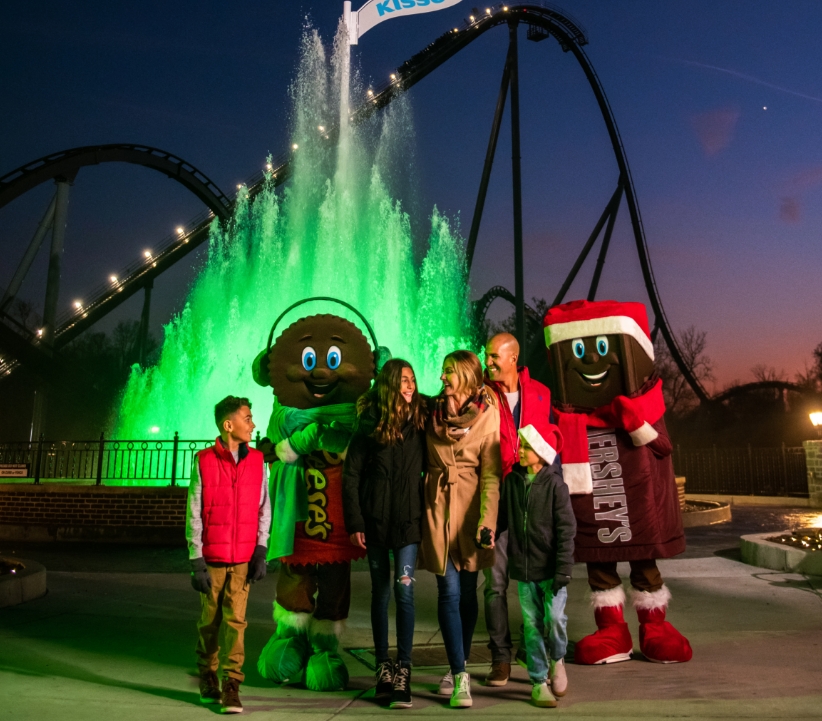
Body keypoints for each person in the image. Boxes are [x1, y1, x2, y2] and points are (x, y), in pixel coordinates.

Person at [342, 359, 428, 709]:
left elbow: (453, 403)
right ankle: (383, 668)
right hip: (375, 524)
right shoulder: (368, 425)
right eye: (404, 381)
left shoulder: (420, 419)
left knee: (403, 594)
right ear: (391, 385)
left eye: (412, 380)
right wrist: (356, 523)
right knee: (380, 595)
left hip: (408, 523)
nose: (410, 386)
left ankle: (404, 669)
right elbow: (350, 476)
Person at [419, 350, 501, 709]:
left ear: (468, 376)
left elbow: (492, 475)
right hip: (437, 507)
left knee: (467, 594)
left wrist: (487, 522)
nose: (442, 378)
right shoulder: (430, 413)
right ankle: (459, 676)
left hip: (470, 512)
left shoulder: (488, 415)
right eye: (441, 372)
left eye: (448, 372)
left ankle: (459, 665)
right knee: (448, 591)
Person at [482, 332, 561, 688]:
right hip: (497, 500)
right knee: (495, 585)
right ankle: (500, 657)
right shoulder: (481, 394)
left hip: (531, 503)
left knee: (537, 585)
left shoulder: (542, 394)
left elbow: (555, 441)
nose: (488, 362)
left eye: (494, 356)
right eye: (486, 356)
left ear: (513, 357)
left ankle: (539, 652)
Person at [186, 396, 271, 714]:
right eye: (247, 418)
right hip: (212, 559)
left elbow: (265, 508)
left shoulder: (257, 460)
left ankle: (232, 683)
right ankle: (208, 676)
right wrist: (196, 560)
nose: (253, 424)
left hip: (244, 558)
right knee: (210, 621)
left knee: (237, 622)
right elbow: (193, 510)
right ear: (228, 424)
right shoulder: (204, 460)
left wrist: (261, 550)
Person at [497, 421, 576, 707]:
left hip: (552, 570)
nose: (521, 451)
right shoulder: (513, 482)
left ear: (542, 452)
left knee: (554, 619)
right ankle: (538, 680)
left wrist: (563, 569)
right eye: (521, 445)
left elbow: (567, 530)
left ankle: (557, 659)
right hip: (525, 570)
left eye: (528, 447)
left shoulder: (555, 486)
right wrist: (488, 531)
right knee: (531, 625)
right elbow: (503, 518)